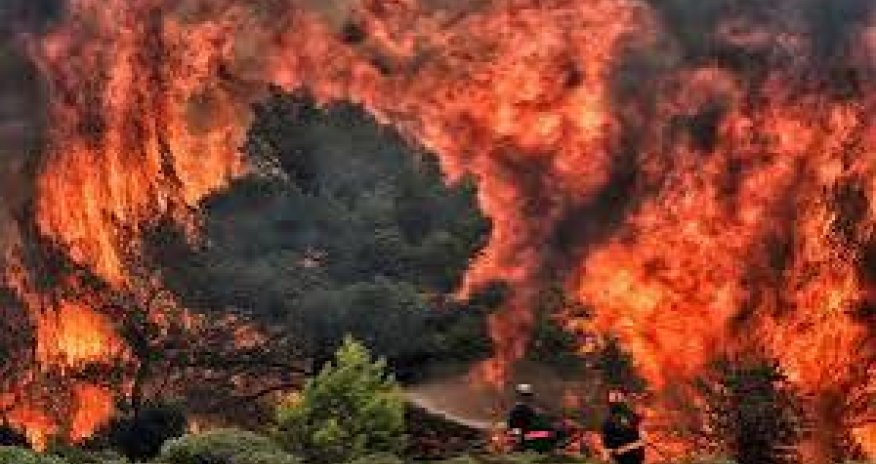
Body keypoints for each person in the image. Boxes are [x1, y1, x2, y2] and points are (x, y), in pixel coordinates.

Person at [506, 383, 557, 453]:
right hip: (536, 440)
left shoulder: (517, 411)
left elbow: (514, 429)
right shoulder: (533, 410)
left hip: (528, 440)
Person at [601, 388, 645, 464]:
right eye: (613, 398)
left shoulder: (633, 418)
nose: (614, 401)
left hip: (633, 458)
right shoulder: (608, 422)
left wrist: (623, 449)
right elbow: (606, 445)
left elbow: (643, 439)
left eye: (617, 397)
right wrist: (607, 455)